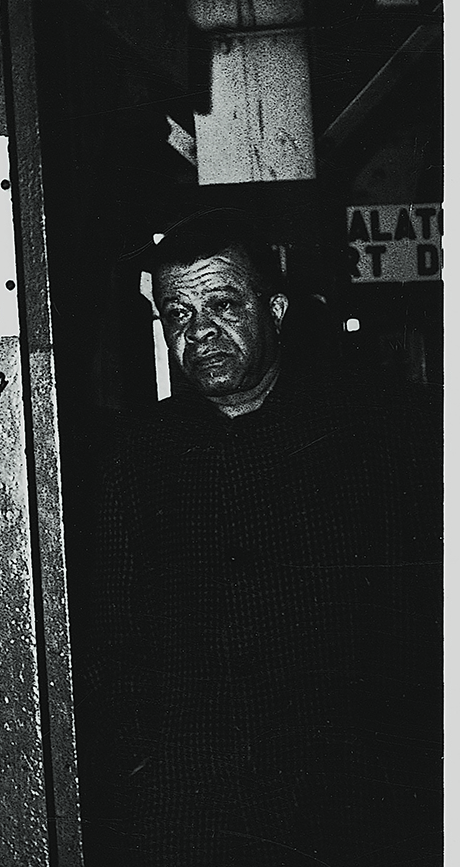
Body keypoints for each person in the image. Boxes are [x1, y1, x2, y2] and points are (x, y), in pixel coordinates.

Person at [90, 210, 438, 866]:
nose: (202, 332)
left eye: (223, 303)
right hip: (195, 811)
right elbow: (116, 635)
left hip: (346, 806)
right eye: (178, 314)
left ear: (274, 309)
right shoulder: (139, 456)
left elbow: (413, 627)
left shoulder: (372, 436)